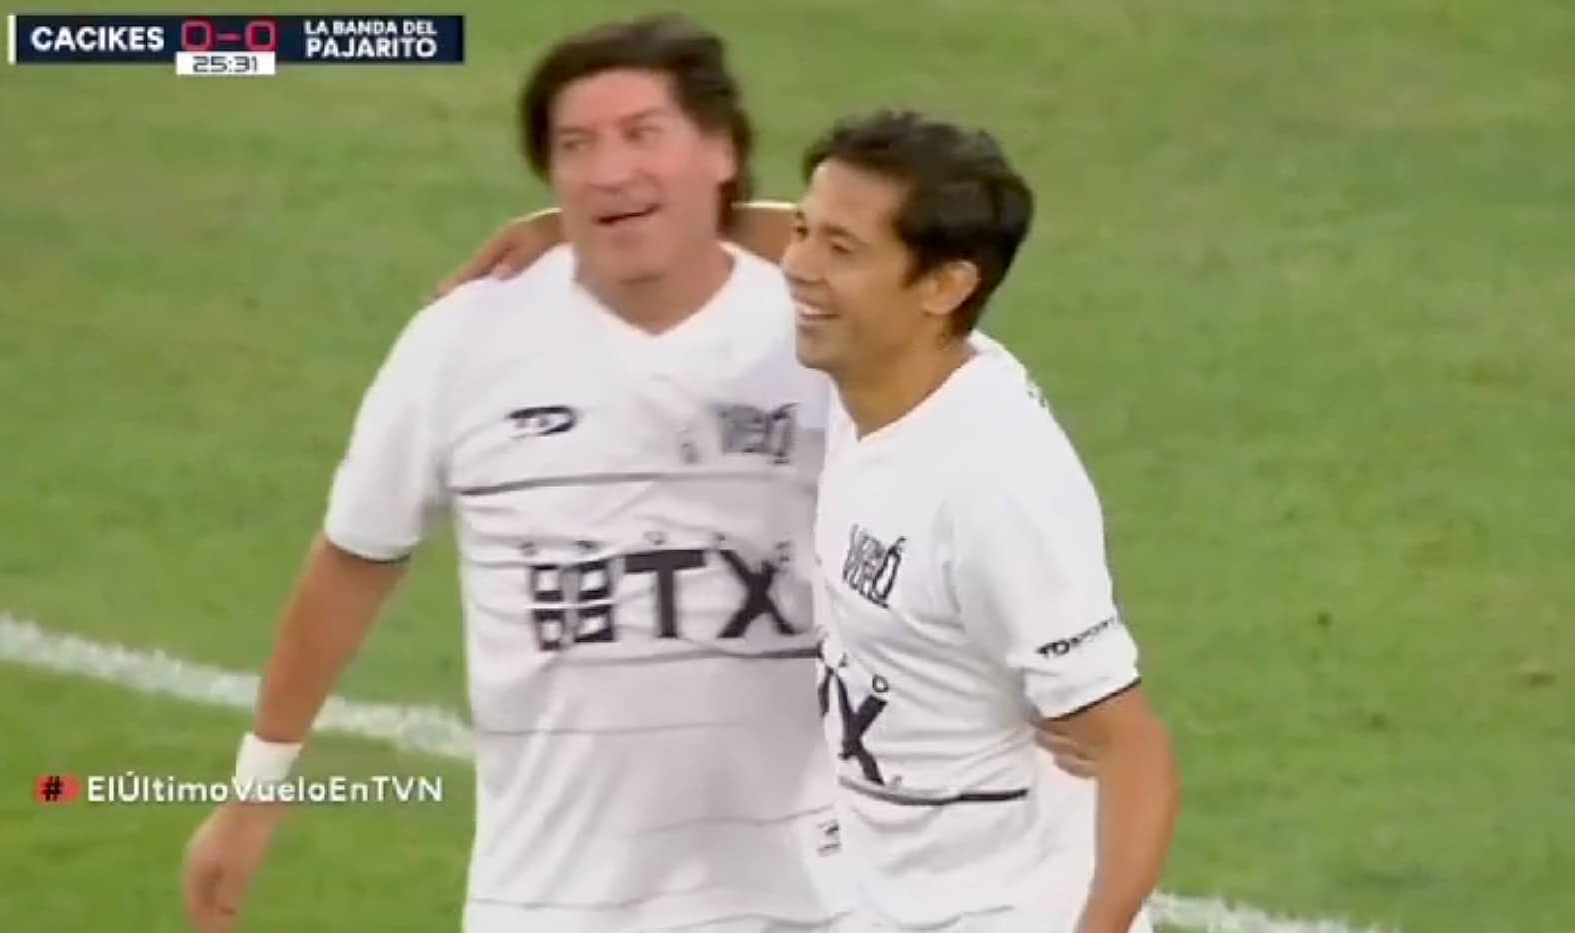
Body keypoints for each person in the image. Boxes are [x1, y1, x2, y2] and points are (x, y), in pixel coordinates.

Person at [181, 14, 850, 933]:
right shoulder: (464, 341)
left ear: (721, 149)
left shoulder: (832, 334)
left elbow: (943, 261)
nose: (609, 169)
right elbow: (356, 556)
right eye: (577, 147)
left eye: (643, 135)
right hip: (552, 901)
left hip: (808, 900)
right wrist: (256, 789)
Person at [784, 110, 1180, 932]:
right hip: (889, 898)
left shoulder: (991, 487)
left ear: (944, 286)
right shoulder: (881, 373)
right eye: (802, 230)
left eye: (840, 248)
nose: (796, 266)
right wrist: (558, 232)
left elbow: (1134, 752)